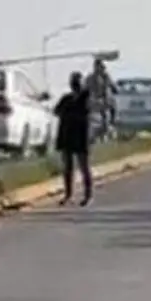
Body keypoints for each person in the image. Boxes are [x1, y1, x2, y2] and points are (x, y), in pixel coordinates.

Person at [52, 71, 94, 205]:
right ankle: (68, 194)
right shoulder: (66, 98)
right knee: (67, 167)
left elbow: (89, 110)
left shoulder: (87, 97)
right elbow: (56, 111)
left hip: (81, 135)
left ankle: (88, 195)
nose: (75, 85)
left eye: (77, 82)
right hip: (67, 134)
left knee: (84, 166)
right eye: (73, 82)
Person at [86, 58, 116, 143]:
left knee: (111, 107)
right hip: (96, 101)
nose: (102, 69)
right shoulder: (91, 78)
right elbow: (86, 89)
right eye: (100, 67)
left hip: (100, 101)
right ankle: (107, 128)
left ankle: (109, 126)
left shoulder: (105, 77)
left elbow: (112, 87)